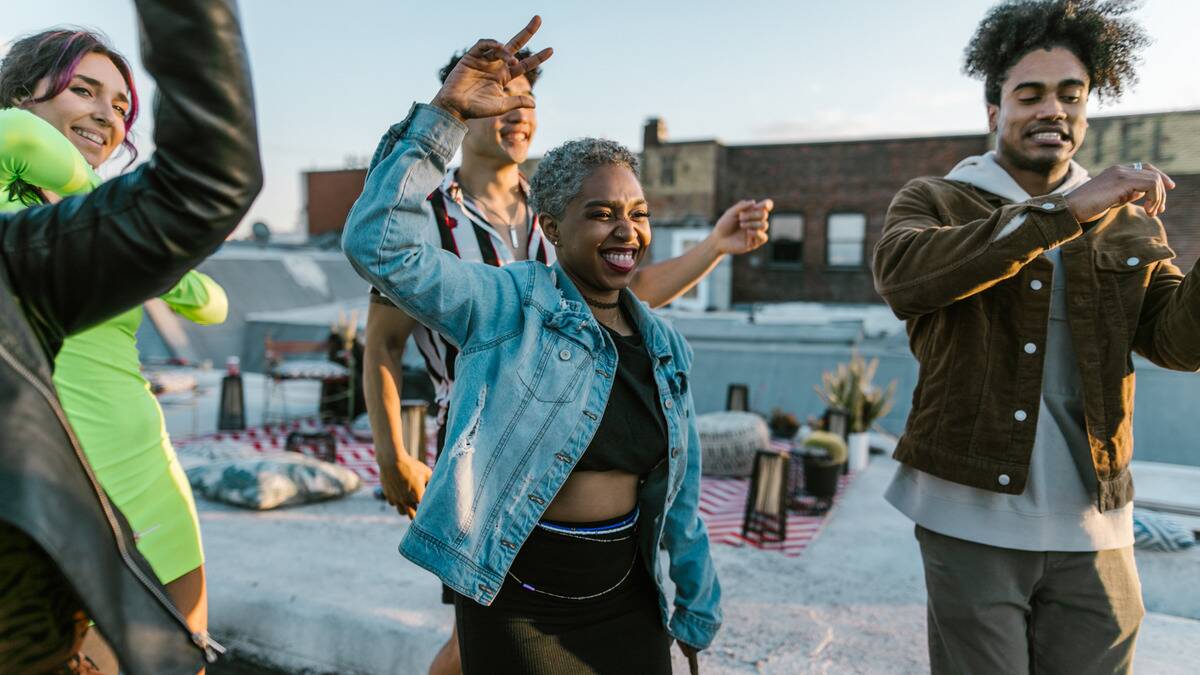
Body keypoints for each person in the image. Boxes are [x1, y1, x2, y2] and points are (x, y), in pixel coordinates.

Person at [344, 17, 743, 673]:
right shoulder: (499, 288)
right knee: (468, 648)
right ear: (554, 230)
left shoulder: (660, 345)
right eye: (603, 213)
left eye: (638, 214)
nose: (625, 229)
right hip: (492, 501)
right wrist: (443, 113)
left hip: (624, 590)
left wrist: (696, 604)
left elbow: (680, 502)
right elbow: (379, 259)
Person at [872, 1, 1197, 673]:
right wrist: (1062, 213)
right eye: (1031, 94)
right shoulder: (936, 199)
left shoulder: (1132, 224)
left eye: (1070, 96)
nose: (1053, 109)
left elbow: (1178, 343)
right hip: (967, 517)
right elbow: (905, 276)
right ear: (994, 111)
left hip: (1096, 522)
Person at [0, 0, 262, 672]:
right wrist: (101, 202)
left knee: (183, 660)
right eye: (82, 90)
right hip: (49, 493)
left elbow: (211, 301)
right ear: (18, 94)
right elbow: (20, 141)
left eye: (121, 106)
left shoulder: (100, 221)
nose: (106, 116)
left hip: (149, 473)